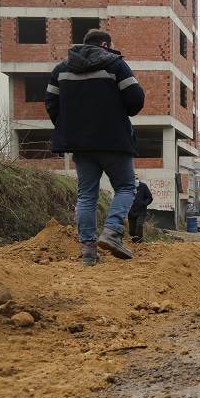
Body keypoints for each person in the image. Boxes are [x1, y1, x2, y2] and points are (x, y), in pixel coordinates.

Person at [46, 29, 145, 266]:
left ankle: (88, 250)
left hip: (81, 144)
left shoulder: (61, 69)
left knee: (86, 196)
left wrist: (70, 127)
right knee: (125, 187)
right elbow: (135, 99)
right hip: (114, 141)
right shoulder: (115, 64)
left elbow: (51, 102)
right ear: (104, 44)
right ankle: (111, 232)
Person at [128, 175, 153, 243]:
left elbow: (149, 198)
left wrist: (143, 203)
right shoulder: (128, 187)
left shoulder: (143, 186)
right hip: (131, 211)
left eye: (135, 179)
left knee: (139, 225)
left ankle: (139, 242)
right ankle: (134, 242)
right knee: (132, 231)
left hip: (141, 211)